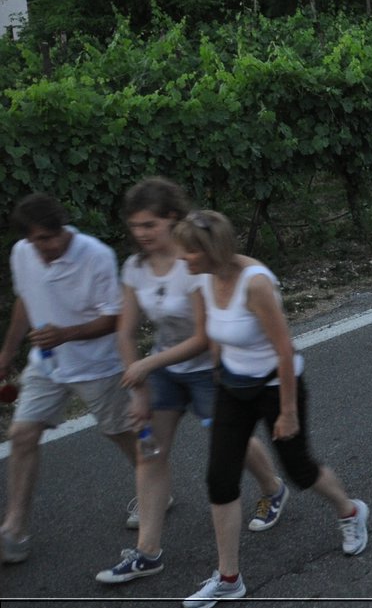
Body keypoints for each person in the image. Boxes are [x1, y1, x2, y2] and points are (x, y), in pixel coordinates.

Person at [176, 209, 369, 608]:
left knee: (299, 469)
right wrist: (217, 377)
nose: (182, 258)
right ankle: (229, 579)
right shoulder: (202, 278)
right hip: (233, 386)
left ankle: (350, 511)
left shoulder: (256, 283)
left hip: (276, 385)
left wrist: (288, 412)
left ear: (211, 250)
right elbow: (214, 333)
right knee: (220, 479)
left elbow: (284, 350)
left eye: (189, 251)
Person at [98, 178, 285, 586]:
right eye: (135, 226)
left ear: (172, 219)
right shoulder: (135, 268)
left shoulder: (193, 264)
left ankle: (272, 488)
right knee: (150, 451)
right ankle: (147, 552)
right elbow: (125, 333)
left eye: (149, 225)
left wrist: (149, 365)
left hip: (209, 364)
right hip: (164, 369)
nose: (141, 234)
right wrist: (139, 388)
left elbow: (203, 336)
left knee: (228, 440)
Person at [0, 194, 136, 565]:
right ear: (27, 238)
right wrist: (6, 353)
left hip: (98, 365)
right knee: (22, 436)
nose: (48, 245)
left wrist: (66, 334)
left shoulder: (96, 255)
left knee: (118, 431)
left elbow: (113, 318)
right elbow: (25, 301)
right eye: (38, 239)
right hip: (46, 365)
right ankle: (14, 529)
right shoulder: (22, 254)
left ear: (63, 228)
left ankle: (153, 487)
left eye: (52, 236)